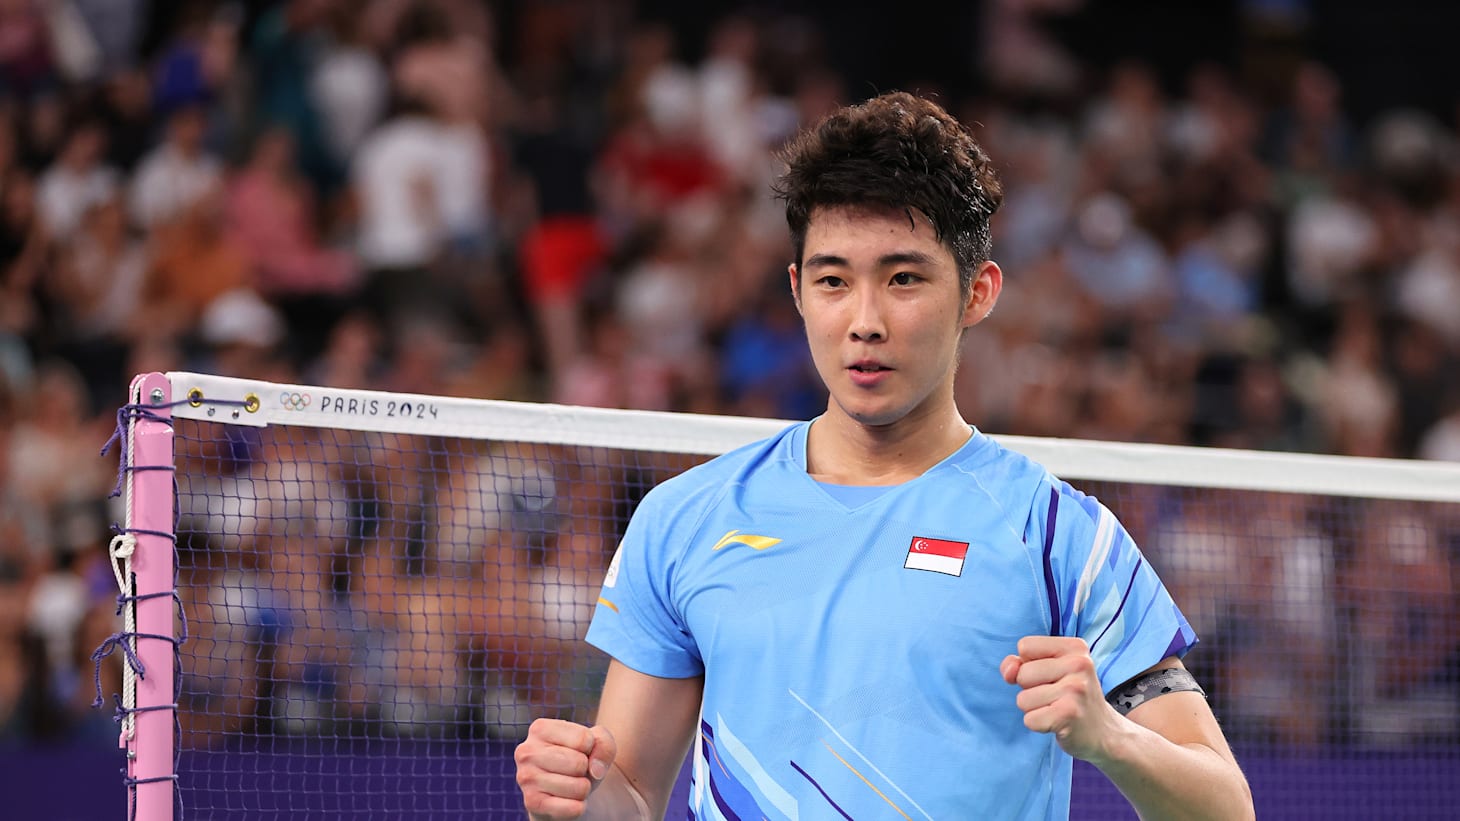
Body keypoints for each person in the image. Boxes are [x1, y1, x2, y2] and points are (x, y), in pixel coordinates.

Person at [515, 92, 1254, 820]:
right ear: (798, 291)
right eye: (834, 281)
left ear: (977, 292)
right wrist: (577, 794)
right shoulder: (685, 518)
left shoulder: (1061, 537)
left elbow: (1226, 809)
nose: (864, 321)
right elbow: (632, 795)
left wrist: (1113, 738)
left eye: (904, 278)